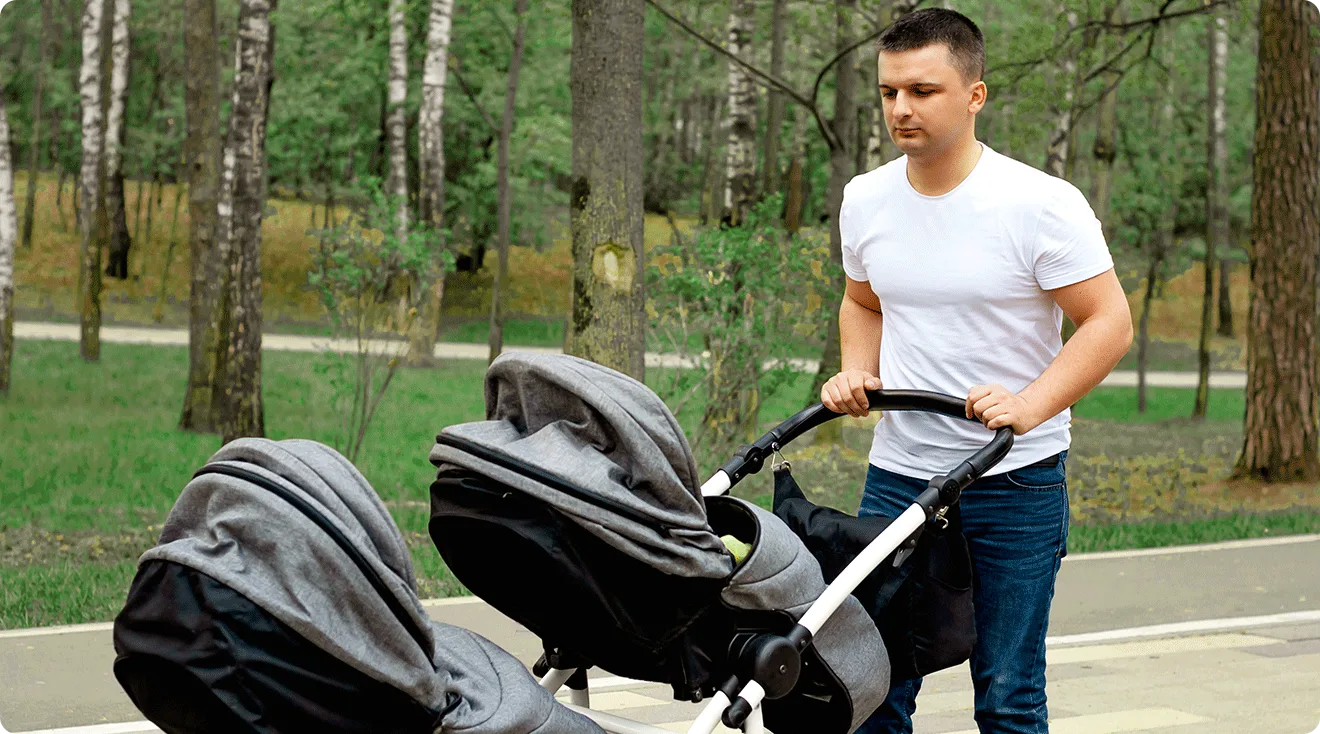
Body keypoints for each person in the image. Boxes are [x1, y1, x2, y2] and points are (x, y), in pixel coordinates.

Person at [819, 8, 1134, 734]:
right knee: (873, 686)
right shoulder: (866, 199)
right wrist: (855, 372)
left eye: (923, 91)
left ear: (975, 95)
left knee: (1007, 691)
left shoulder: (1040, 204)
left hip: (1014, 479)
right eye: (889, 92)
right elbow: (861, 302)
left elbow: (1109, 323)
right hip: (899, 474)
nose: (901, 108)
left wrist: (1031, 402)